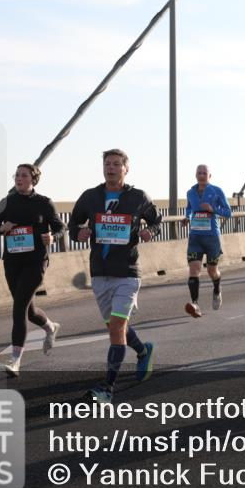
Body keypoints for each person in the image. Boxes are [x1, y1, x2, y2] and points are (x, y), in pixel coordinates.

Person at [68, 149, 160, 404]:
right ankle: (143, 351)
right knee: (115, 328)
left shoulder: (138, 197)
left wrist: (150, 230)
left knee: (117, 328)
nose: (111, 168)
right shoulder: (90, 196)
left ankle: (107, 388)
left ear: (126, 169)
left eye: (117, 164)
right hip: (100, 271)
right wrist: (78, 234)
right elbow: (73, 224)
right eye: (107, 164)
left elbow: (156, 220)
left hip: (127, 272)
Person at [0, 164, 64, 377]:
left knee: (19, 308)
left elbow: (60, 227)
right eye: (17, 175)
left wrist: (53, 237)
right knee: (28, 311)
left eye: (24, 175)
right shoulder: (7, 202)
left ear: (33, 180)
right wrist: (1, 227)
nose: (19, 178)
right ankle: (50, 327)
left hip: (36, 261)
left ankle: (15, 360)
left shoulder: (44, 203)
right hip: (12, 262)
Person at [179, 164, 232, 312]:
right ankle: (194, 304)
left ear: (209, 176)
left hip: (212, 238)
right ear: (195, 175)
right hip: (195, 237)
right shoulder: (190, 192)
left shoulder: (217, 191)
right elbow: (189, 208)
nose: (201, 175)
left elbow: (228, 213)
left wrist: (212, 209)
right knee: (194, 270)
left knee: (211, 271)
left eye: (204, 173)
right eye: (199, 173)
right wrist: (187, 217)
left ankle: (217, 289)